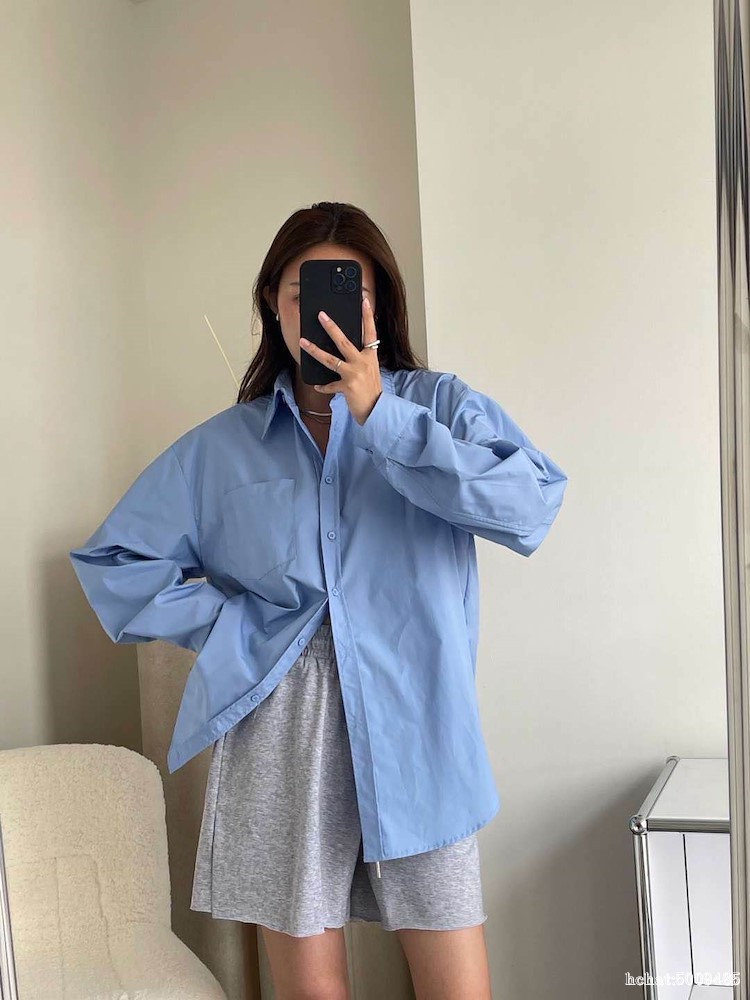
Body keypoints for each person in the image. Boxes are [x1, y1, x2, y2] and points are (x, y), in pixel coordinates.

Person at [69, 201, 568, 1000]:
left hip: (417, 725)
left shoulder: (438, 407)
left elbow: (532, 505)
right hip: (282, 725)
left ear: (379, 305)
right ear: (274, 302)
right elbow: (114, 561)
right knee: (311, 992)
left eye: (351, 291)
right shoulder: (224, 448)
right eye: (306, 292)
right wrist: (229, 625)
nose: (327, 310)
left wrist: (381, 416)